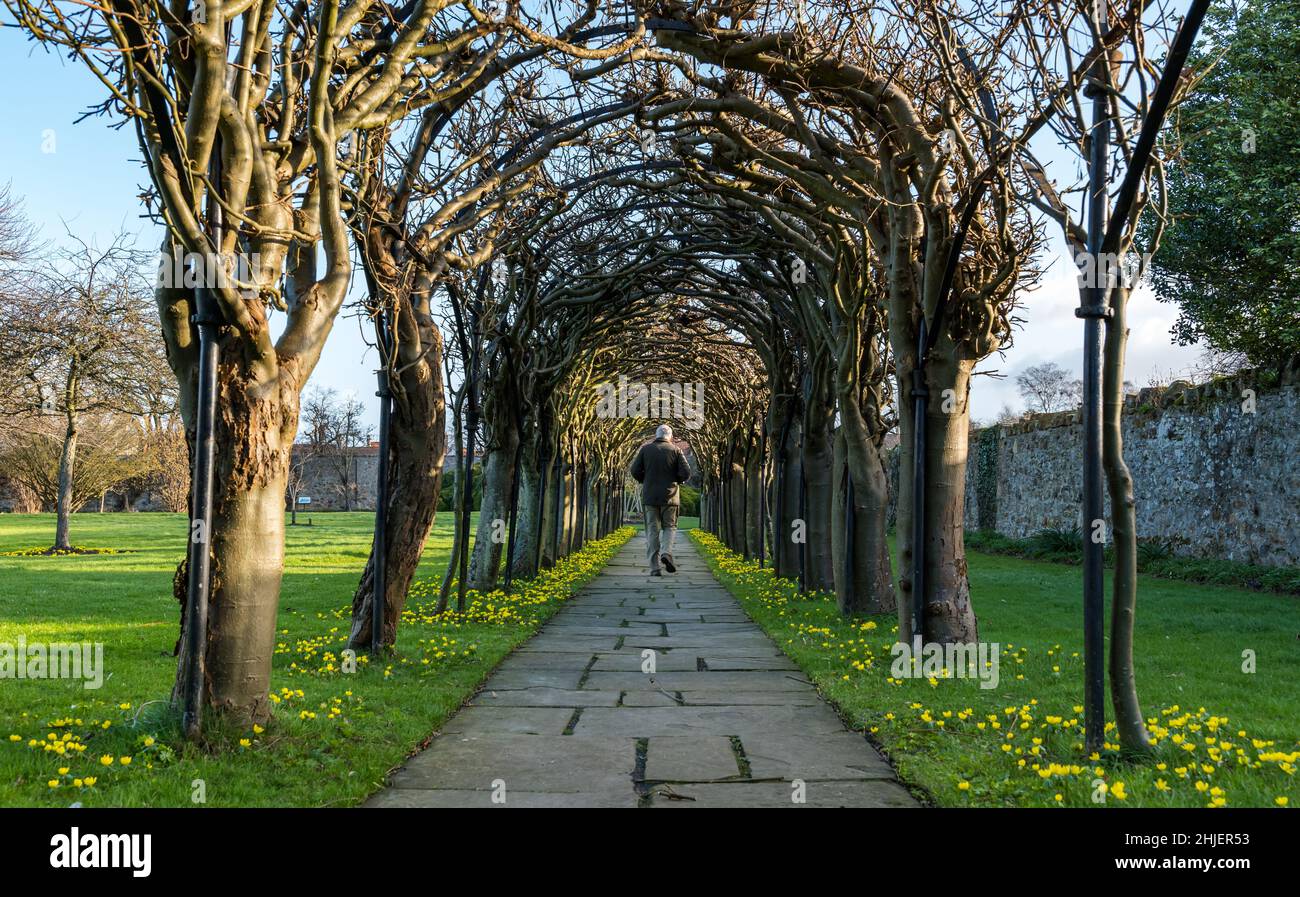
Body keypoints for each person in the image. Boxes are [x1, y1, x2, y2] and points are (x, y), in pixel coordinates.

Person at [630, 424, 692, 576]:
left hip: (650, 497)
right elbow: (686, 472)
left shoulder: (645, 450)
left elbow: (634, 470)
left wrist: (645, 480)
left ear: (656, 435)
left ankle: (654, 568)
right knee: (670, 527)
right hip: (670, 496)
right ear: (670, 437)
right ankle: (666, 553)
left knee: (652, 530)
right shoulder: (676, 450)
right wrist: (677, 480)